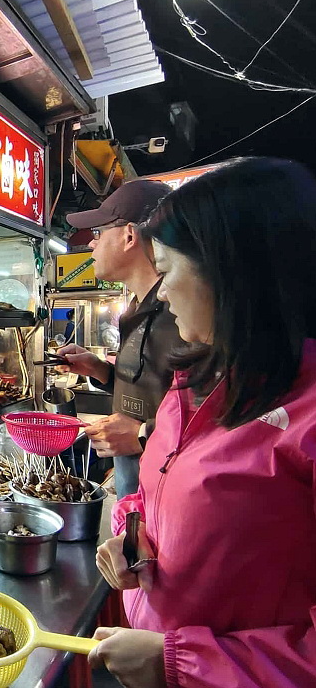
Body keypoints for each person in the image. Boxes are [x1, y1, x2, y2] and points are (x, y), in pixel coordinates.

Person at [90, 157, 316, 688]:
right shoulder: (194, 383)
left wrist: (179, 663)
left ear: (232, 269)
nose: (163, 294)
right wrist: (131, 539)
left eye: (167, 271)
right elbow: (150, 493)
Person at [58, 179, 182, 499]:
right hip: (136, 487)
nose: (90, 244)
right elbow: (155, 386)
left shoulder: (185, 312)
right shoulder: (137, 307)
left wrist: (143, 434)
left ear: (129, 236)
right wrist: (100, 370)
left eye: (98, 234)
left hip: (171, 490)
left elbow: (221, 417)